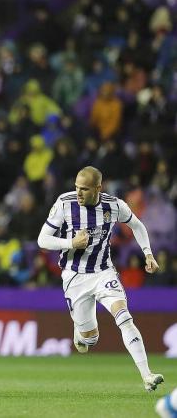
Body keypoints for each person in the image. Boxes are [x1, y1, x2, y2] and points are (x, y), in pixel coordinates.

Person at [37, 166, 163, 392]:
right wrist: (70, 244)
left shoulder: (114, 206)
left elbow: (136, 224)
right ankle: (81, 331)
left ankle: (147, 375)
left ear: (98, 188)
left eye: (84, 189)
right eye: (76, 188)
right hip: (75, 276)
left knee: (124, 317)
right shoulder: (65, 203)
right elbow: (42, 239)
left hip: (103, 272)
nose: (78, 193)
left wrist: (148, 253)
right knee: (89, 340)